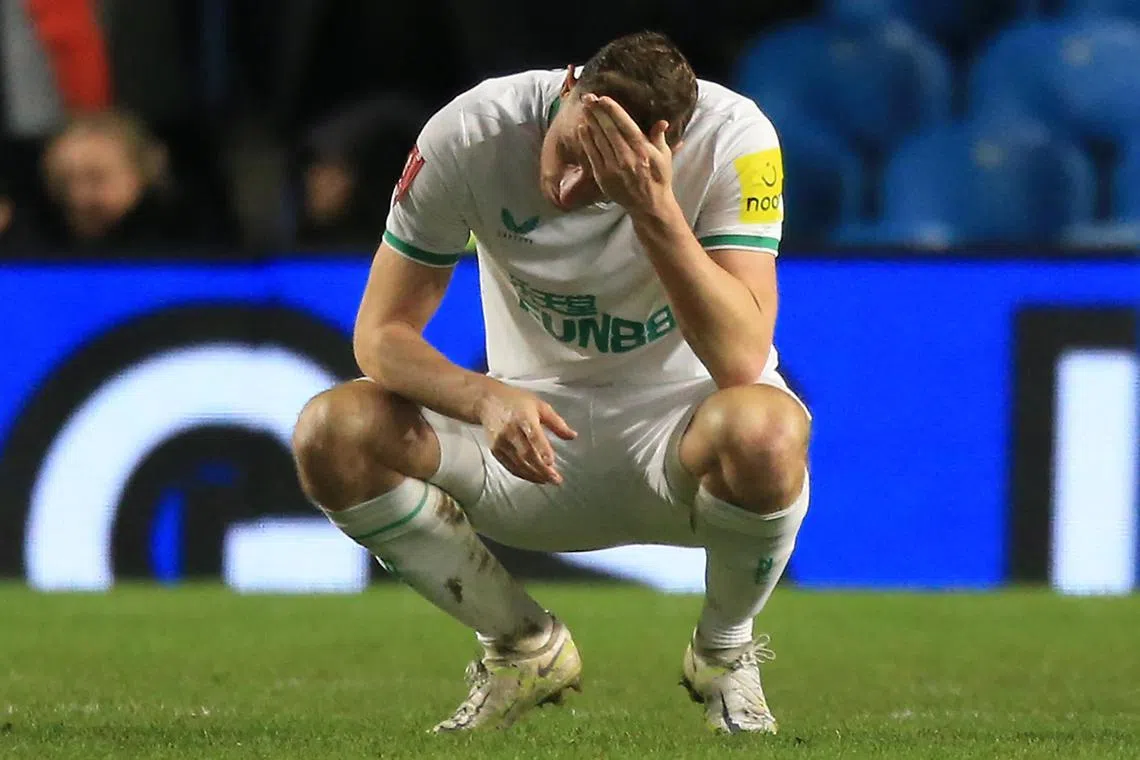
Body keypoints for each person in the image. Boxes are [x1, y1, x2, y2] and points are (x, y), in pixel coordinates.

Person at [292, 32, 810, 735]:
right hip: (526, 443)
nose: (570, 187)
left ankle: (723, 651)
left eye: (602, 175)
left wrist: (653, 209)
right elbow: (380, 333)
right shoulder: (471, 132)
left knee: (769, 429)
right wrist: (484, 397)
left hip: (680, 442)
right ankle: (519, 645)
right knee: (332, 432)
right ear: (570, 90)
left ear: (666, 146)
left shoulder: (734, 137)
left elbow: (741, 360)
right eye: (573, 150)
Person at [39, 110, 218, 251]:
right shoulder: (38, 254)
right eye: (63, 183)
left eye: (96, 178)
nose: (78, 197)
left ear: (142, 173)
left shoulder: (189, 252)